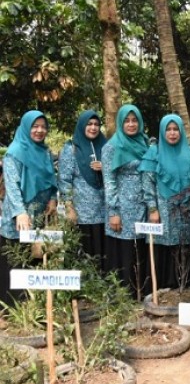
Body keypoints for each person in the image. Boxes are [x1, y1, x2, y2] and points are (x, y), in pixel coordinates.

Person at [0, 110, 57, 305]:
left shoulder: (45, 152)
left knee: (34, 257)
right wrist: (20, 213)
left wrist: (53, 198)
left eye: (43, 127)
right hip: (19, 218)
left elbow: (51, 178)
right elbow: (12, 186)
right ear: (26, 127)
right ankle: (12, 308)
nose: (40, 131)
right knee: (15, 259)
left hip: (39, 215)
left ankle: (33, 304)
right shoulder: (14, 153)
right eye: (35, 126)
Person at [139, 114, 190, 290]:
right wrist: (152, 208)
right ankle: (162, 287)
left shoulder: (189, 153)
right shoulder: (154, 152)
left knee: (183, 245)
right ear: (162, 131)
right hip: (163, 208)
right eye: (169, 129)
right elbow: (147, 182)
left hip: (185, 209)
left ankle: (181, 286)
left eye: (176, 129)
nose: (172, 133)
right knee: (163, 246)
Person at [102, 104, 150, 298]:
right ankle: (124, 296)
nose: (131, 124)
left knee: (141, 248)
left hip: (143, 204)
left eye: (134, 120)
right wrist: (114, 212)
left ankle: (140, 291)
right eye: (127, 121)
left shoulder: (144, 143)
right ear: (120, 123)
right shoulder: (111, 147)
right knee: (124, 249)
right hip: (123, 206)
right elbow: (109, 180)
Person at [58, 110, 107, 268]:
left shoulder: (106, 147)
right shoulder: (71, 148)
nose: (93, 128)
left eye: (96, 124)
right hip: (82, 213)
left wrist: (104, 167)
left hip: (104, 212)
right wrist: (69, 207)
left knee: (103, 256)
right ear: (81, 126)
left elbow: (116, 175)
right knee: (83, 256)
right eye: (89, 124)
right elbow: (64, 180)